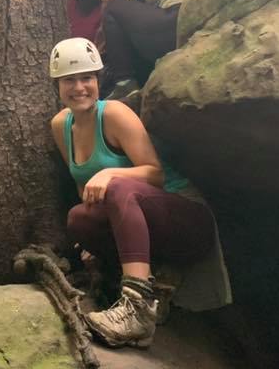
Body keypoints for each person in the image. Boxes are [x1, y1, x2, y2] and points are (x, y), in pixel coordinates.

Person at [48, 37, 231, 349]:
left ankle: (136, 308)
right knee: (79, 218)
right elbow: (84, 187)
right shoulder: (60, 125)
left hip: (186, 219)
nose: (79, 87)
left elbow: (154, 174)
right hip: (142, 226)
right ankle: (155, 280)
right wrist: (93, 241)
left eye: (87, 78)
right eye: (69, 80)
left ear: (97, 81)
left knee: (118, 186)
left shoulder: (114, 113)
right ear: (57, 85)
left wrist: (109, 171)